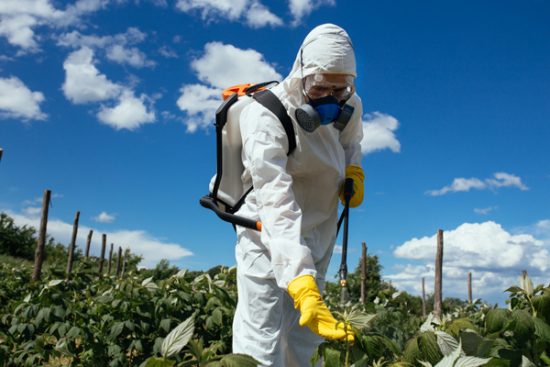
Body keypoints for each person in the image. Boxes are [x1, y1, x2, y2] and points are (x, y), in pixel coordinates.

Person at [232, 23, 365, 366]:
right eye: (321, 89)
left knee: (307, 340)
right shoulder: (265, 114)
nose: (332, 102)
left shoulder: (350, 104)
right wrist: (299, 280)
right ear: (302, 74)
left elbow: (352, 143)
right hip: (265, 230)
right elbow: (274, 199)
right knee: (262, 337)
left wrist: (354, 170)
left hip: (319, 228)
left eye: (340, 91)